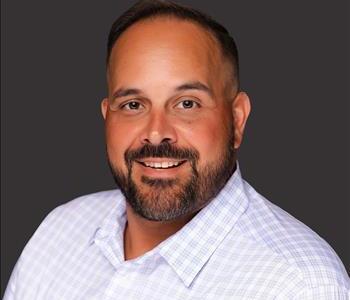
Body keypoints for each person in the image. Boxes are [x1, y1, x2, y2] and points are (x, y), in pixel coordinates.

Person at [4, 0, 350, 299]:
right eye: (133, 105)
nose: (156, 133)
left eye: (186, 103)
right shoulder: (57, 232)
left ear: (237, 119)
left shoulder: (299, 286)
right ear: (107, 117)